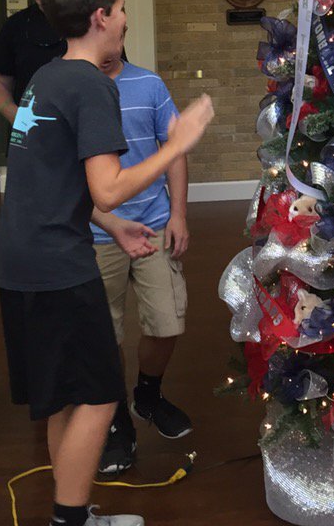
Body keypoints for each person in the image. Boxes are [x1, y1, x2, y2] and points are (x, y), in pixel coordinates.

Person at [0, 0, 214, 526]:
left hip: (19, 260)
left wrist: (112, 227)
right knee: (97, 395)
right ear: (100, 17)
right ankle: (70, 520)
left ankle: (73, 514)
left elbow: (53, 179)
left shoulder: (46, 77)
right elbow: (109, 186)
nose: (124, 19)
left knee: (68, 397)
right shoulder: (92, 85)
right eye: (120, 9)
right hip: (57, 266)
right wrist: (177, 144)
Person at [91, 53, 192, 476]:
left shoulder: (149, 85)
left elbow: (175, 151)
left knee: (167, 322)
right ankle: (117, 419)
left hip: (153, 225)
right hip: (97, 232)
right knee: (103, 334)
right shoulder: (71, 86)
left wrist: (179, 214)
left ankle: (147, 395)